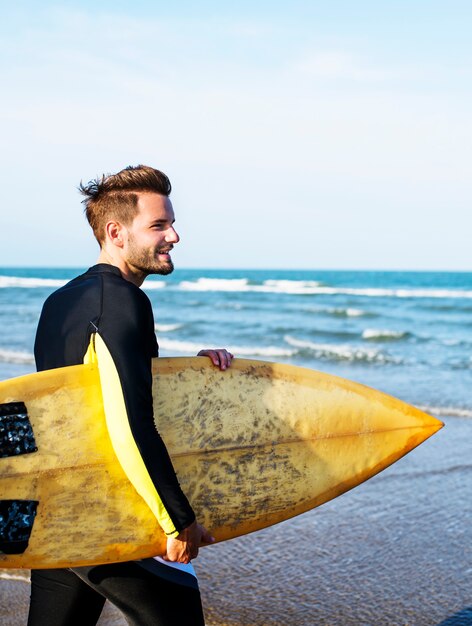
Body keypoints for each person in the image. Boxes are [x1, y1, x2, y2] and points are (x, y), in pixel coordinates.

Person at [28, 165, 233, 626]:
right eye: (159, 225)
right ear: (116, 231)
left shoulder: (61, 301)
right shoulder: (122, 301)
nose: (175, 236)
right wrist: (177, 520)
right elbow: (128, 422)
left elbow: (86, 399)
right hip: (110, 515)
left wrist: (187, 374)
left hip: (60, 513)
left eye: (172, 223)